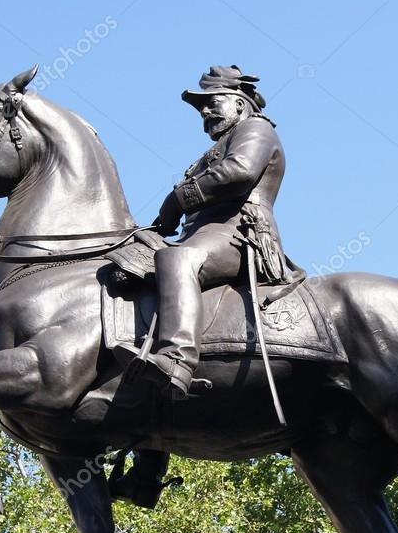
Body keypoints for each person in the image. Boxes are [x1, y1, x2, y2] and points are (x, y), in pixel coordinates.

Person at [119, 65, 288, 399]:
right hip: (204, 235)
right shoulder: (220, 145)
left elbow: (238, 173)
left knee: (177, 259)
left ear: (240, 103)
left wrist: (177, 198)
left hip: (238, 233)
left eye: (213, 102)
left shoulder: (256, 128)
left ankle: (176, 360)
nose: (206, 112)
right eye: (201, 108)